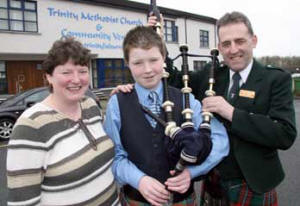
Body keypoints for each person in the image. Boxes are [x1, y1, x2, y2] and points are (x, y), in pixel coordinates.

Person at [148, 11, 297, 205]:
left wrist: (231, 113)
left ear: (254, 40)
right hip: (213, 182)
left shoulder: (276, 79)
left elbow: (284, 133)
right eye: (226, 44)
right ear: (219, 47)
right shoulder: (212, 75)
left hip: (253, 184)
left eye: (240, 41)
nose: (233, 49)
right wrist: (157, 37)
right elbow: (175, 81)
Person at [104, 25, 229, 206]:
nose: (147, 70)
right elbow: (115, 156)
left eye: (153, 60)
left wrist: (191, 173)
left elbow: (220, 141)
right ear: (127, 63)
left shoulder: (186, 99)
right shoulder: (117, 104)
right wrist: (139, 180)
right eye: (138, 63)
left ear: (163, 57)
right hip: (136, 199)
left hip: (182, 199)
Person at [6, 37, 120, 206]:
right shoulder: (31, 126)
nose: (76, 79)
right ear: (48, 77)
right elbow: (23, 202)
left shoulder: (90, 106)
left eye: (82, 71)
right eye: (66, 72)